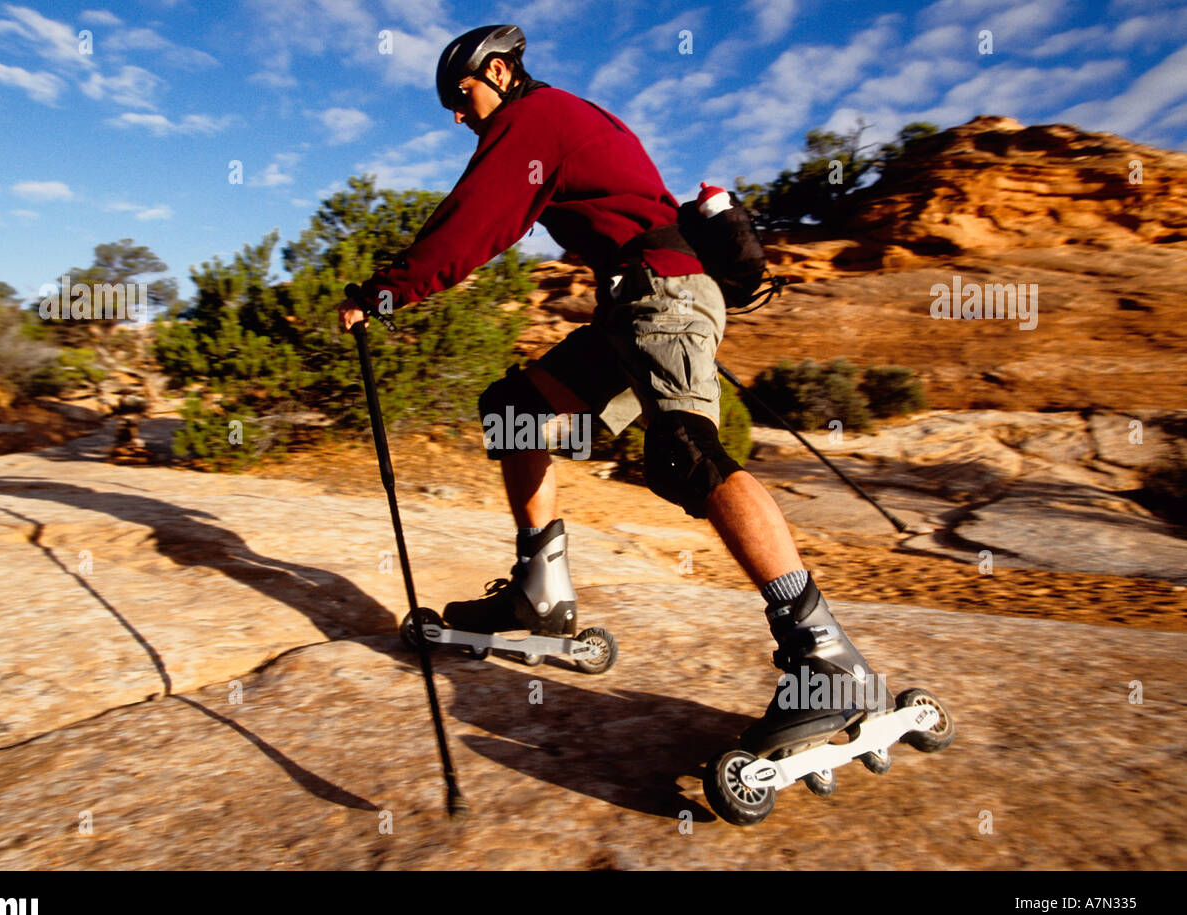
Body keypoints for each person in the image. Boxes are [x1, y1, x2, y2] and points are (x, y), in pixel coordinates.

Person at [336, 25, 893, 755]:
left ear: (499, 73)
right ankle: (542, 589)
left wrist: (385, 292)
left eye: (463, 94)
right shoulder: (566, 118)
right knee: (516, 411)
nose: (459, 114)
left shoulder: (531, 120)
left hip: (661, 293)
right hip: (638, 301)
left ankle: (825, 658)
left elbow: (475, 224)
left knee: (685, 456)